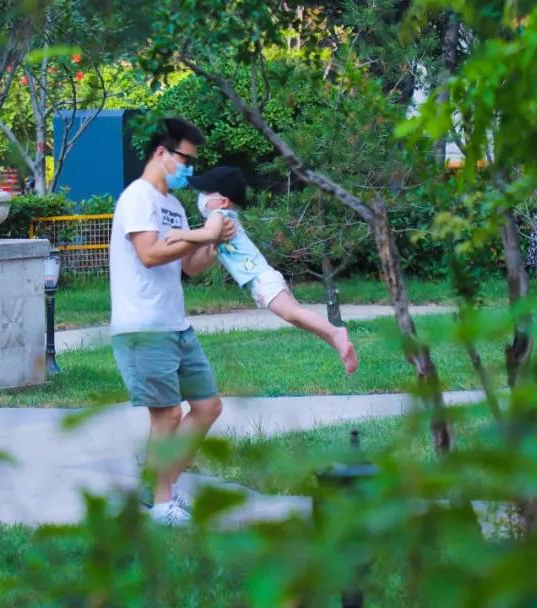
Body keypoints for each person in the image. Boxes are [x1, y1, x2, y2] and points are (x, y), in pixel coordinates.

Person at [108, 117, 236, 526]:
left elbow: (189, 268)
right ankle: (162, 503)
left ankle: (156, 487)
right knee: (166, 416)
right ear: (161, 153)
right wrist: (201, 233)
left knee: (207, 406)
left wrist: (214, 241)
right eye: (185, 160)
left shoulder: (174, 207)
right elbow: (148, 253)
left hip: (175, 325)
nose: (189, 170)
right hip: (142, 327)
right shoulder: (138, 198)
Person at [165, 166, 359, 375]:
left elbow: (209, 234)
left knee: (293, 314)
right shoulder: (225, 216)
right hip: (262, 278)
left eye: (206, 193)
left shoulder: (219, 215)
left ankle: (335, 332)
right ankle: (338, 343)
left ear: (223, 201)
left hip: (261, 279)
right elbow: (203, 251)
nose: (201, 198)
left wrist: (181, 234)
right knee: (295, 316)